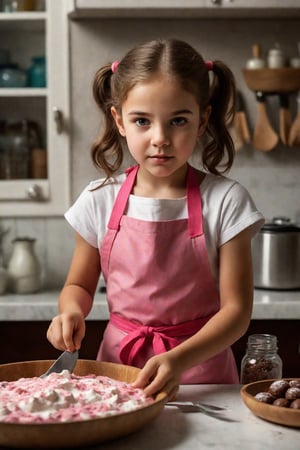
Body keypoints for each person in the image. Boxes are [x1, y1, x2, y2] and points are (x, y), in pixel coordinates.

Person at [47, 38, 264, 400]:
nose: (160, 138)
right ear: (119, 120)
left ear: (202, 121)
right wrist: (70, 312)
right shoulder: (98, 199)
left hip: (205, 380)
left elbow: (237, 312)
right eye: (142, 121)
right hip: (119, 374)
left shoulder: (226, 201)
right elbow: (79, 287)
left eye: (178, 120)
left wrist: (178, 360)